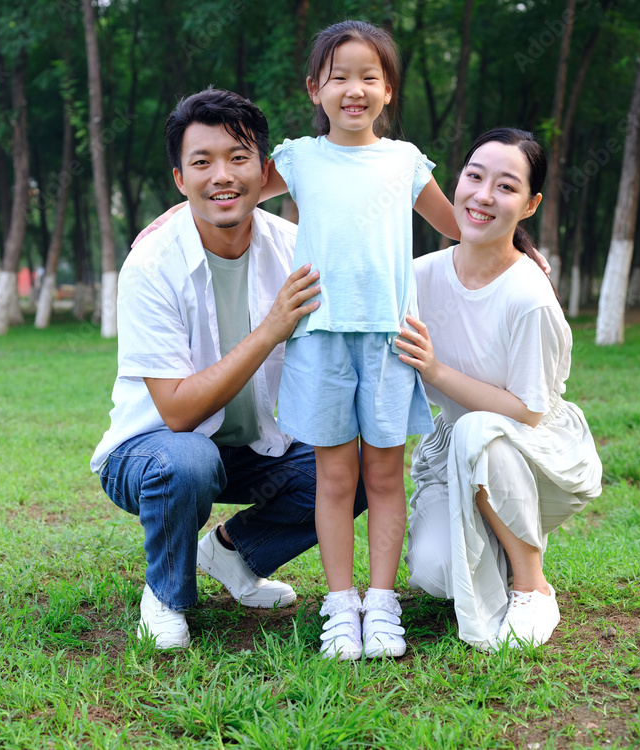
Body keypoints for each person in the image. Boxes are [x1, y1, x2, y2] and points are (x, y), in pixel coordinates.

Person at [90, 88, 367, 650]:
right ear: (178, 178)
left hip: (258, 448)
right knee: (188, 460)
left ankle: (234, 555)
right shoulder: (151, 264)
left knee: (356, 462)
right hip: (155, 449)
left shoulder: (293, 249)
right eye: (202, 162)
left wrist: (503, 251)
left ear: (264, 172)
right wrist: (270, 329)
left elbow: (372, 275)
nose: (222, 175)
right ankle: (164, 595)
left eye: (238, 159)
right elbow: (178, 410)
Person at [261, 20, 461, 660]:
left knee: (384, 475)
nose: (354, 89)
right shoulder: (296, 158)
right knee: (334, 478)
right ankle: (340, 605)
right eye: (339, 77)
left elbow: (460, 225)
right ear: (314, 88)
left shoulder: (405, 161)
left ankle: (382, 604)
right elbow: (227, 196)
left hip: (389, 343)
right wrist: (169, 215)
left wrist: (521, 246)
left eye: (368, 77)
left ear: (388, 90)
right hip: (319, 338)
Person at [396, 128, 603, 651]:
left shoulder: (528, 295)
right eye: (474, 176)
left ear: (530, 204)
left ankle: (531, 584)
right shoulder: (419, 278)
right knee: (436, 575)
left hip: (532, 454)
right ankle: (494, 524)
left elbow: (527, 413)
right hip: (458, 450)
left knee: (480, 429)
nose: (484, 195)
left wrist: (438, 373)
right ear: (457, 183)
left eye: (506, 187)